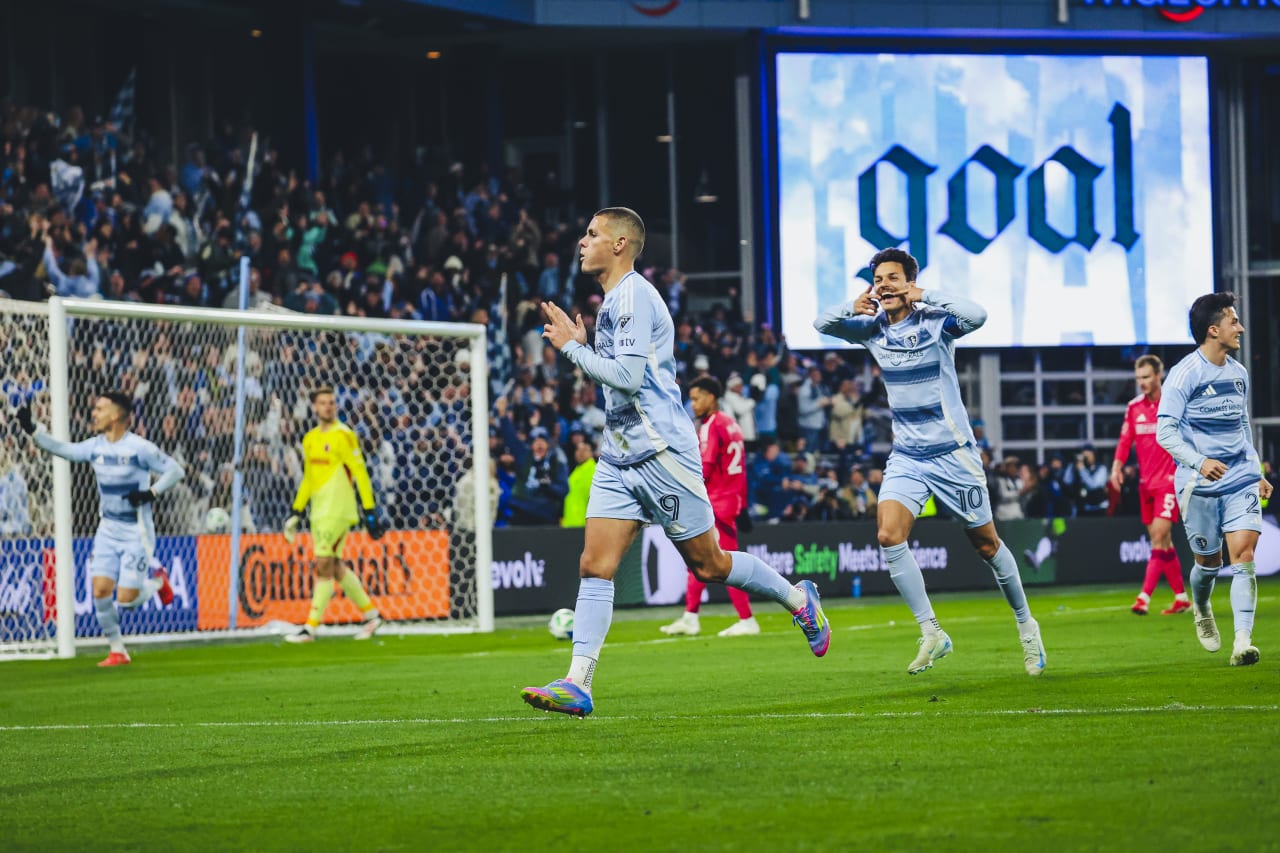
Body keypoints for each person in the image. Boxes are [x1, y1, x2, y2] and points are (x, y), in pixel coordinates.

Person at [520, 207, 830, 717]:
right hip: (620, 457)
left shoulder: (636, 295)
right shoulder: (613, 302)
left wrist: (574, 350)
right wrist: (582, 345)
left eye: (593, 234)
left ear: (620, 244)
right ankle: (578, 682)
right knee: (594, 565)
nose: (582, 241)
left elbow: (627, 377)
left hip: (663, 451)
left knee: (709, 564)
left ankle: (799, 600)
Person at [814, 247, 1045, 676]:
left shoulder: (936, 324)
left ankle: (1026, 626)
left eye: (892, 277)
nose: (884, 285)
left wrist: (924, 294)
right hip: (907, 456)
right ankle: (932, 632)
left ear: (909, 281)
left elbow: (977, 315)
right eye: (878, 278)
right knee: (887, 535)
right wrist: (852, 305)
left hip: (953, 455)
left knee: (987, 545)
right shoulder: (872, 330)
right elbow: (820, 324)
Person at [17, 392, 182, 666]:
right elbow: (64, 450)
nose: (94, 413)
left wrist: (151, 493)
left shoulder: (139, 448)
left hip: (136, 531)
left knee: (127, 600)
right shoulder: (96, 446)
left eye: (100, 409)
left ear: (115, 415)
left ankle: (158, 582)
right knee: (100, 591)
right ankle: (118, 650)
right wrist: (33, 430)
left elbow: (175, 470)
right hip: (107, 528)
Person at [1156, 293, 1273, 666]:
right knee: (1208, 563)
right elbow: (1165, 433)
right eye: (1233, 321)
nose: (1239, 327)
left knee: (1244, 557)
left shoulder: (1238, 374)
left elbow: (1242, 425)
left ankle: (1242, 642)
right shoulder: (1184, 375)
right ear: (1213, 329)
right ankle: (1202, 606)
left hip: (1239, 477)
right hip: (1198, 484)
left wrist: (1256, 470)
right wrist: (1199, 461)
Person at [282, 386, 385, 643]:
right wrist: (296, 510)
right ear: (314, 407)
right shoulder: (310, 439)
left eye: (332, 402)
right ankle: (372, 616)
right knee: (335, 566)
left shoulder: (345, 435)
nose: (329, 406)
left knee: (323, 564)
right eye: (324, 403)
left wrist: (369, 510)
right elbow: (308, 478)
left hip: (339, 510)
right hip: (318, 511)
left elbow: (360, 473)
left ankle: (310, 628)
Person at [660, 376, 758, 638]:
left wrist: (679, 489)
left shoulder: (710, 426)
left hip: (716, 502)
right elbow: (739, 467)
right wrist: (743, 504)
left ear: (711, 397)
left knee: (723, 562)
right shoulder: (731, 423)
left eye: (696, 398)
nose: (693, 404)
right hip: (730, 500)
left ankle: (747, 619)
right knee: (699, 558)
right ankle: (690, 616)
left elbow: (704, 468)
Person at [1110, 355, 1191, 616]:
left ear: (1159, 375)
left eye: (1146, 377)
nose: (1142, 383)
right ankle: (1181, 597)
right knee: (1164, 543)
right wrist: (1116, 467)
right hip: (1146, 485)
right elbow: (1125, 441)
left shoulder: (1174, 403)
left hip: (1169, 482)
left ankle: (1143, 597)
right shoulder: (1134, 408)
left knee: (1158, 538)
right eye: (1138, 378)